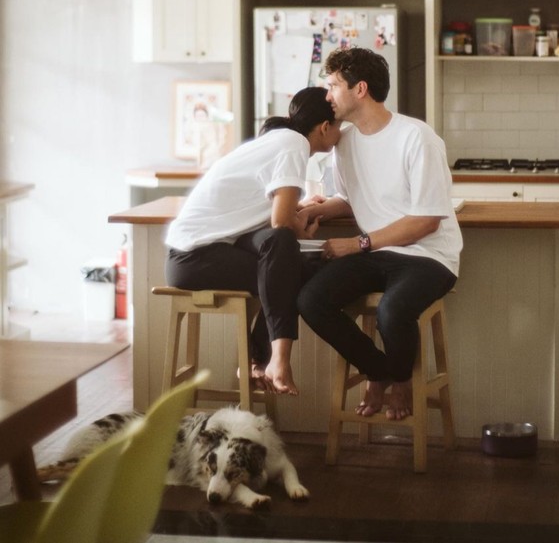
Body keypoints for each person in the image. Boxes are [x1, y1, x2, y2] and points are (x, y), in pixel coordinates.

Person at [297, 47, 461, 420]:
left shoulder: (417, 137)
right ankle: (380, 370)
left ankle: (400, 380)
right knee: (311, 300)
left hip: (429, 256)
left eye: (333, 85)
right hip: (378, 253)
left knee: (392, 310)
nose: (327, 96)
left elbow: (426, 220)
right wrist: (315, 209)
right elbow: (349, 198)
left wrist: (358, 244)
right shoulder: (344, 143)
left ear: (360, 89)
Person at [165, 86, 341, 396]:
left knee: (282, 252)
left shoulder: (280, 139)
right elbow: (281, 222)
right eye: (340, 126)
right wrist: (300, 227)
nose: (342, 134)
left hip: (198, 253)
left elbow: (270, 214)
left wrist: (299, 211)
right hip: (194, 257)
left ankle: (259, 360)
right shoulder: (294, 143)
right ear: (325, 127)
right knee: (295, 266)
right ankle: (268, 361)